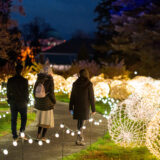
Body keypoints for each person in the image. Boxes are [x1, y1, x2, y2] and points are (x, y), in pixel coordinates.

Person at [69, 69, 96, 146]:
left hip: (77, 106)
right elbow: (91, 97)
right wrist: (93, 109)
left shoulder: (75, 83)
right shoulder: (89, 84)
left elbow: (72, 96)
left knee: (79, 123)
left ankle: (79, 138)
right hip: (85, 107)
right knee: (82, 123)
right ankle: (80, 139)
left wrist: (71, 107)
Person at [34, 64, 56, 142]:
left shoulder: (38, 78)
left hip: (40, 103)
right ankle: (43, 137)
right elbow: (51, 92)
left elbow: (34, 91)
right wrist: (54, 101)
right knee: (46, 120)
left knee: (40, 120)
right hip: (47, 104)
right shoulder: (50, 79)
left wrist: (36, 100)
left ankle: (38, 135)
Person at [7, 63, 29, 141]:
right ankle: (21, 133)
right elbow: (26, 92)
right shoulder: (24, 81)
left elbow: (8, 91)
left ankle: (14, 136)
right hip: (22, 103)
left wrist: (9, 100)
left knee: (14, 119)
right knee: (24, 118)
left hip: (13, 102)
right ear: (21, 70)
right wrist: (27, 100)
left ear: (15, 70)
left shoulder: (10, 80)